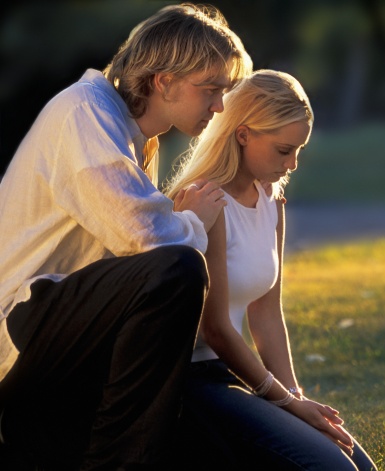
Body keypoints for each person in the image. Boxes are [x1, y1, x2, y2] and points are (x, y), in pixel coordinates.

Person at [0, 3, 252, 469]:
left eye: (225, 92)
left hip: (64, 330)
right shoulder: (84, 112)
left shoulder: (133, 136)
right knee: (177, 269)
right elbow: (147, 238)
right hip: (22, 327)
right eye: (211, 89)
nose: (219, 107)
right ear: (164, 81)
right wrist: (194, 221)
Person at [164, 70, 377, 470]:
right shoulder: (206, 202)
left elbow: (266, 314)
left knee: (359, 466)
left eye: (299, 150)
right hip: (192, 378)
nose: (293, 163)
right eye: (283, 150)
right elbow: (216, 331)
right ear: (243, 134)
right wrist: (281, 400)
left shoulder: (270, 200)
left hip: (236, 372)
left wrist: (294, 394)